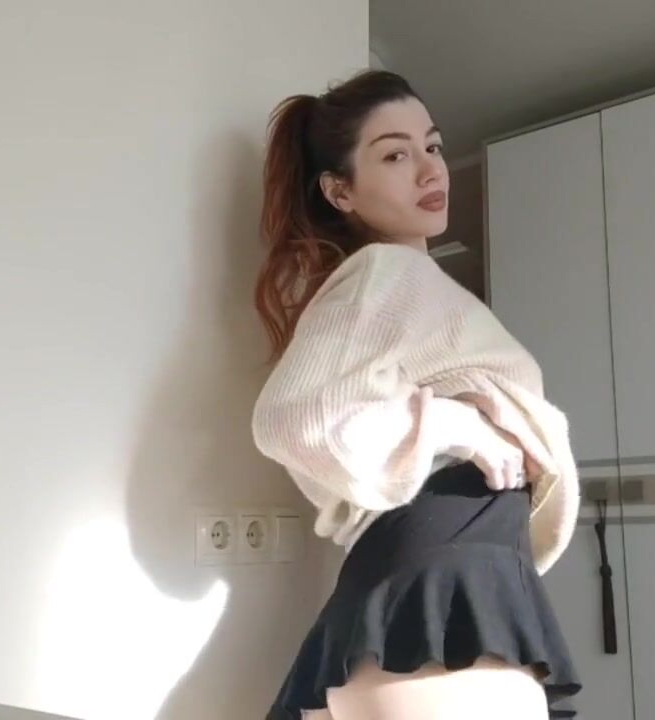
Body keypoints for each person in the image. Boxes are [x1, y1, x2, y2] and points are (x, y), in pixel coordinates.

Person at [250, 69, 584, 720]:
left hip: (448, 567)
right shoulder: (385, 271)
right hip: (443, 573)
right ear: (340, 191)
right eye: (395, 155)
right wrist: (457, 425)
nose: (431, 168)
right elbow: (292, 418)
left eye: (432, 146)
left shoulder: (416, 285)